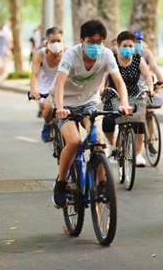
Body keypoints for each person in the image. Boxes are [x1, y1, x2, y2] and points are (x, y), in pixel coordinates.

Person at [50, 19, 131, 209]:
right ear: (81, 40)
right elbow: (60, 83)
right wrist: (60, 108)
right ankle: (61, 184)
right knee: (74, 141)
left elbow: (119, 82)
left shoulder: (107, 55)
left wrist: (125, 103)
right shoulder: (71, 55)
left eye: (99, 41)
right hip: (65, 103)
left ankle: (102, 185)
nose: (95, 45)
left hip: (89, 102)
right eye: (91, 41)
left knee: (98, 140)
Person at [102, 31, 155, 168]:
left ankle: (138, 154)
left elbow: (147, 76)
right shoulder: (112, 59)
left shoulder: (138, 59)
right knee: (108, 120)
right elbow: (104, 76)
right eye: (124, 45)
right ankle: (110, 143)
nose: (128, 48)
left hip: (134, 96)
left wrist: (150, 88)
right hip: (114, 96)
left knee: (139, 122)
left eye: (131, 45)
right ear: (118, 46)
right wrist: (102, 88)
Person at [30, 26, 65, 142]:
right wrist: (34, 90)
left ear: (63, 41)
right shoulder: (40, 55)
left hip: (63, 87)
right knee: (48, 107)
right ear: (46, 43)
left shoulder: (68, 53)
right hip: (44, 89)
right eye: (53, 41)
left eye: (59, 41)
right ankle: (47, 125)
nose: (56, 44)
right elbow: (34, 75)